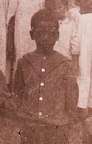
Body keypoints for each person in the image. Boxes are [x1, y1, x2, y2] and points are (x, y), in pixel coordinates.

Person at [12, 9, 78, 144]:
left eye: (51, 33)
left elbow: (71, 99)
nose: (46, 38)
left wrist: (67, 126)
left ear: (57, 35)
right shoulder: (24, 62)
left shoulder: (65, 64)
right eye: (40, 33)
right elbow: (17, 94)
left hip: (56, 129)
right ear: (32, 34)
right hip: (30, 129)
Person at [7, 0, 48, 66]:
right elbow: (11, 20)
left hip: (37, 35)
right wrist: (9, 43)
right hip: (21, 35)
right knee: (22, 61)